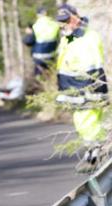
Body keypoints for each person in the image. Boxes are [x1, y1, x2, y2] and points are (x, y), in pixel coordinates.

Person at [55, 5, 108, 172]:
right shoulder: (71, 36)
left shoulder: (87, 35)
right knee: (86, 121)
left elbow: (89, 64)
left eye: (67, 21)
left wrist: (85, 89)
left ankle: (95, 154)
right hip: (73, 87)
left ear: (76, 17)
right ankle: (95, 152)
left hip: (85, 87)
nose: (65, 25)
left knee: (86, 121)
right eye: (62, 23)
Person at [23, 6, 60, 76]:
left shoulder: (35, 26)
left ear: (38, 15)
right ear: (46, 14)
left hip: (39, 58)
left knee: (39, 78)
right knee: (50, 75)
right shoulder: (55, 25)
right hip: (51, 56)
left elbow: (28, 42)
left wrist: (28, 34)